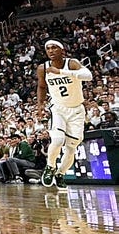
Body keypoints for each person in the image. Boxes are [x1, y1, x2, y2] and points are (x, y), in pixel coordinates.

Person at [36, 39, 92, 189]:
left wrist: (60, 72)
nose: (51, 50)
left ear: (62, 50)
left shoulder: (72, 63)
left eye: (54, 47)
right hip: (58, 108)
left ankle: (60, 173)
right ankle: (50, 167)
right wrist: (40, 105)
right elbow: (41, 87)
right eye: (48, 48)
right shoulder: (43, 68)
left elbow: (88, 76)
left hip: (77, 110)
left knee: (71, 147)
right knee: (58, 139)